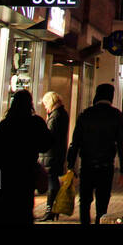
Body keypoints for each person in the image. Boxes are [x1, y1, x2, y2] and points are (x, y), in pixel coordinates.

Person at [0, 89, 52, 224]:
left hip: (5, 180)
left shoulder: (5, 125)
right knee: (22, 213)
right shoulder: (35, 123)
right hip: (24, 179)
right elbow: (46, 144)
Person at [67, 83, 123, 224]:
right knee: (102, 202)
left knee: (84, 201)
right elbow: (122, 144)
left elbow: (75, 142)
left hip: (87, 164)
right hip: (106, 165)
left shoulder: (86, 114)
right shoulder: (116, 116)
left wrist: (71, 164)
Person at [40, 92, 69, 221]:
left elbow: (49, 135)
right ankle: (52, 210)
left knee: (52, 180)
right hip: (57, 153)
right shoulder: (62, 113)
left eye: (46, 104)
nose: (45, 107)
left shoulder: (55, 116)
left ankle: (50, 210)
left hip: (51, 154)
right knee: (53, 180)